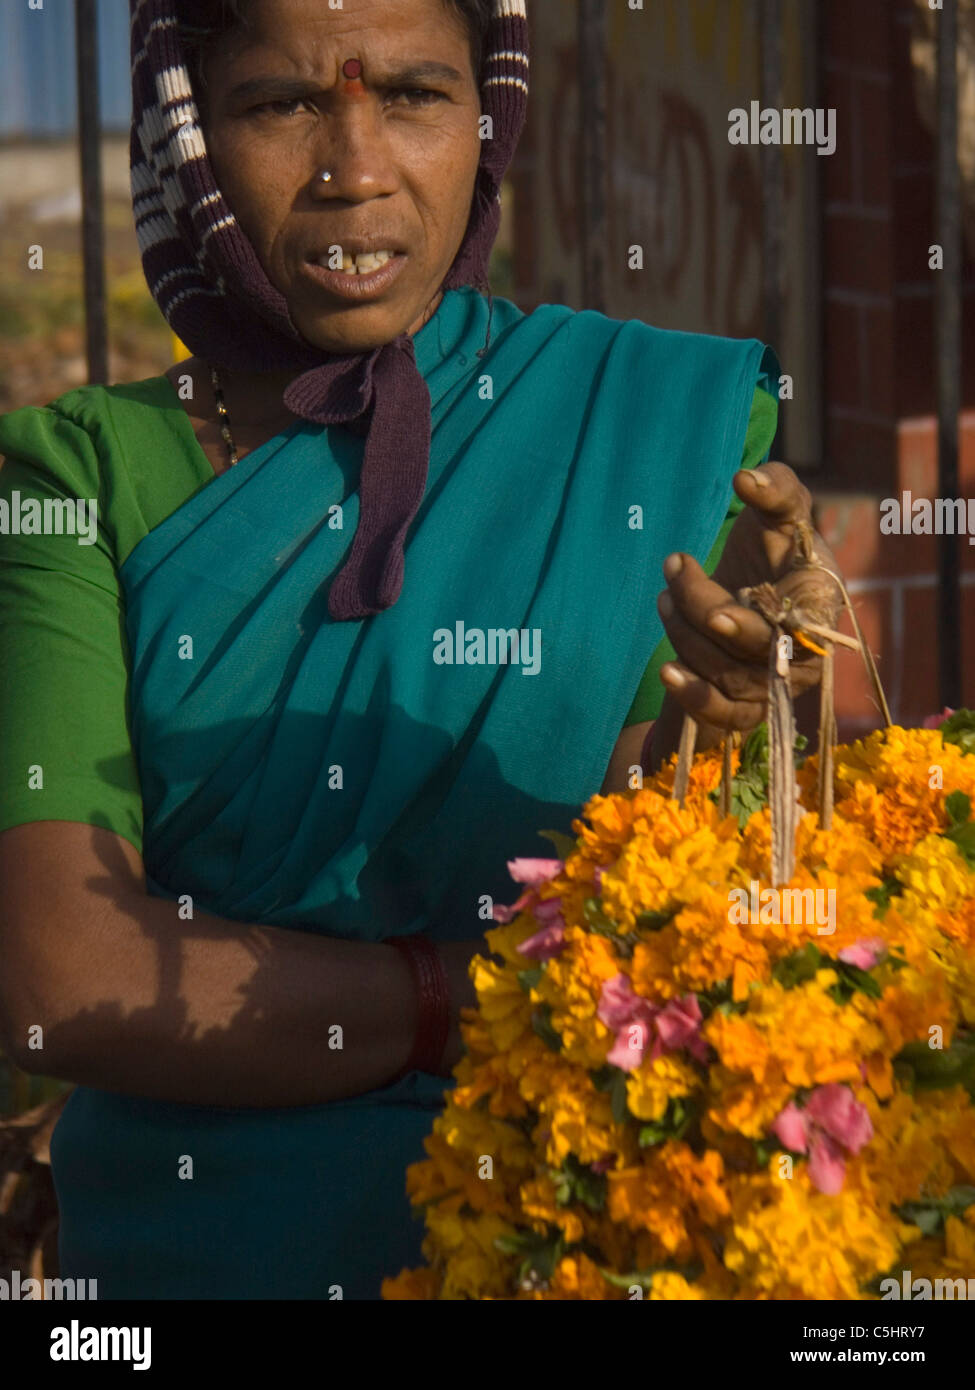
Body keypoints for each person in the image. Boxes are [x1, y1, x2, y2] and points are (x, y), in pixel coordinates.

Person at [0, 0, 836, 1299]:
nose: (358, 166)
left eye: (414, 95)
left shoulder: (637, 430)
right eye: (281, 103)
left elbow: (683, 924)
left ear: (488, 114)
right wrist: (479, 992)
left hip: (580, 1240)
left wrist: (731, 733)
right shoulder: (76, 476)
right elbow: (64, 972)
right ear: (188, 130)